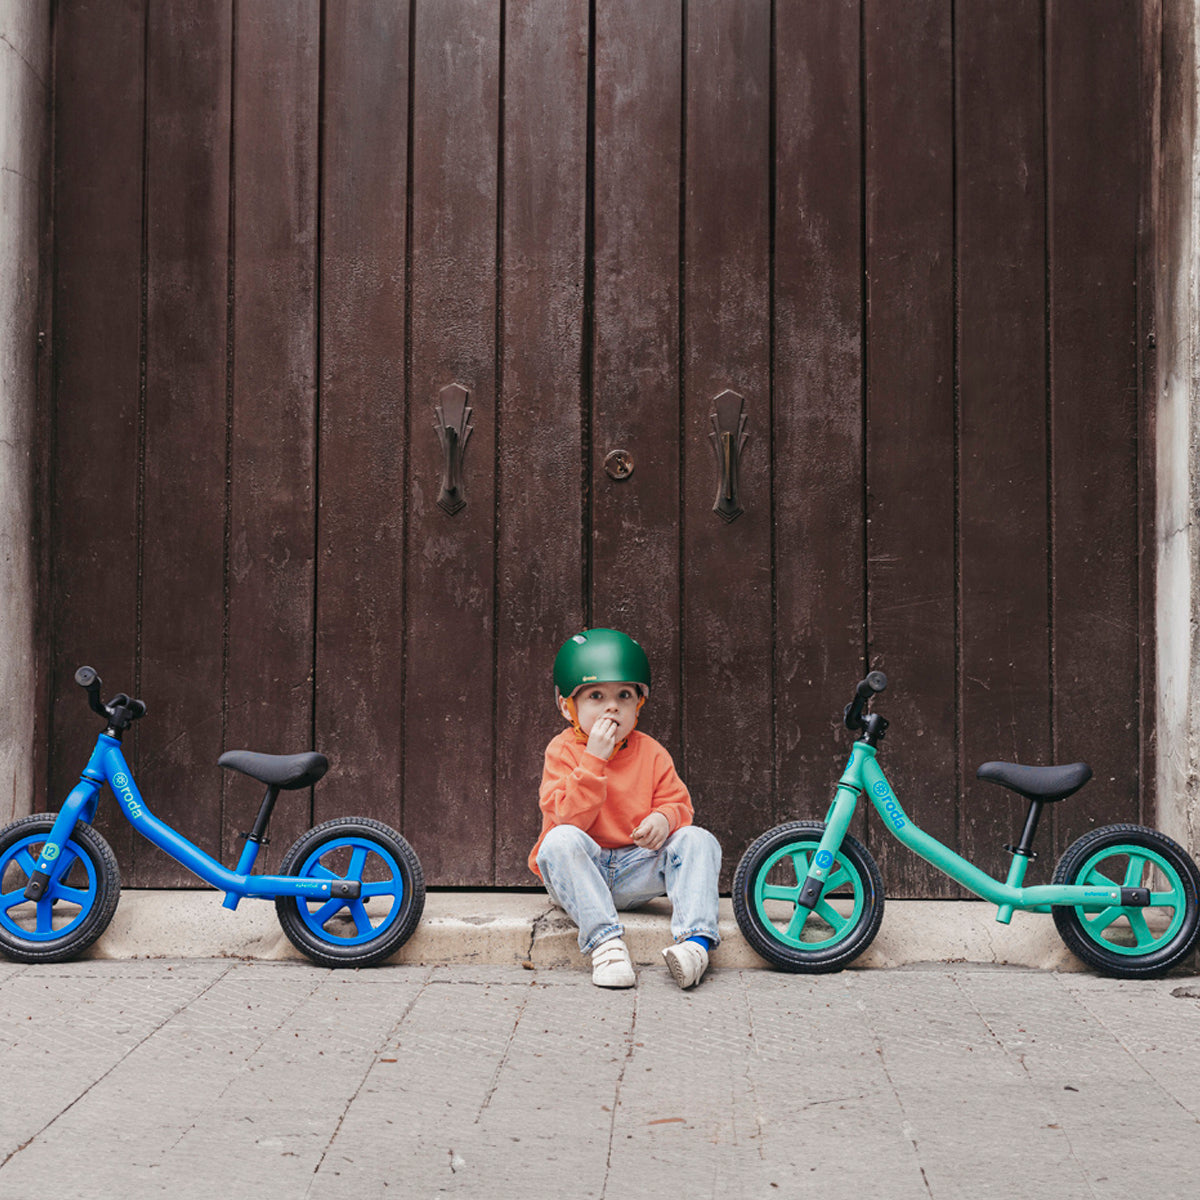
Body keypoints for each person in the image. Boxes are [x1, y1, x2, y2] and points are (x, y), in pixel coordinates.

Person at [529, 628, 721, 989]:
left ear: (638, 705)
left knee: (699, 840)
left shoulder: (651, 751)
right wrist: (594, 762)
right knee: (559, 841)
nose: (612, 706)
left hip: (635, 869)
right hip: (581, 874)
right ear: (567, 707)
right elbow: (567, 819)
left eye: (624, 695)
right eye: (596, 696)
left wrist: (664, 819)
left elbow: (678, 804)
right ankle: (606, 945)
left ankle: (695, 945)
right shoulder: (562, 751)